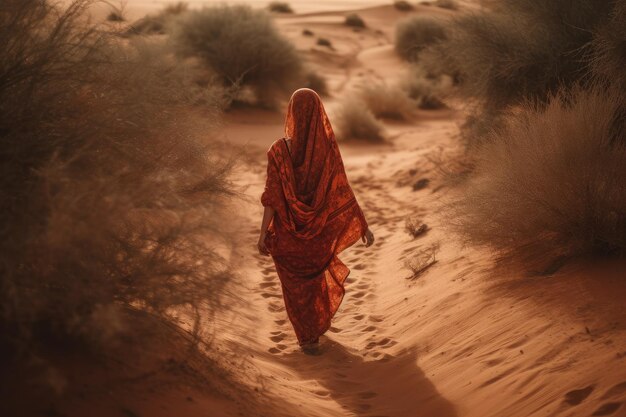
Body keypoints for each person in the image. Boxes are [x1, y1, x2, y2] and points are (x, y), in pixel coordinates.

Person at [257, 88, 375, 353]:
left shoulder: (278, 152)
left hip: (287, 237)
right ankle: (315, 329)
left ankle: (306, 335)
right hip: (319, 237)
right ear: (319, 113)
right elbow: (341, 190)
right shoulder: (326, 152)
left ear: (293, 114)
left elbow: (272, 198)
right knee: (314, 281)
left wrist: (263, 233)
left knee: (295, 287)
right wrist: (362, 224)